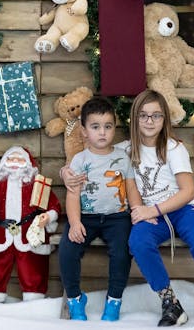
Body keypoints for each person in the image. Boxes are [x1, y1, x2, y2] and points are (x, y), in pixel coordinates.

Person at [62, 90, 194, 326]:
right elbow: (95, 156)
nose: (149, 121)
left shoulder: (173, 148)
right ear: (135, 118)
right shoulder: (124, 149)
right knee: (138, 242)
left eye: (156, 116)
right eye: (143, 116)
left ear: (165, 120)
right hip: (149, 214)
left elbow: (187, 191)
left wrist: (153, 210)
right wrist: (65, 172)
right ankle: (170, 303)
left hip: (182, 209)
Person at [58, 97, 141, 321]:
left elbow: (131, 187)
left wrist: (138, 212)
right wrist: (75, 223)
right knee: (67, 250)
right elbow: (73, 194)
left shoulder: (123, 157)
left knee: (122, 252)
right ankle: (75, 299)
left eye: (108, 126)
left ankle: (114, 300)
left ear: (114, 127)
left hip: (117, 218)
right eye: (95, 127)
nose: (102, 132)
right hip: (86, 217)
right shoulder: (79, 159)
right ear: (84, 131)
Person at [0, 146, 61, 303]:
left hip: (28, 234)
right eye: (11, 159)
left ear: (28, 164)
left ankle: (34, 299)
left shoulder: (36, 185)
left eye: (20, 159)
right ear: (4, 162)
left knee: (33, 267)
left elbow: (53, 205)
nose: (15, 163)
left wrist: (49, 216)